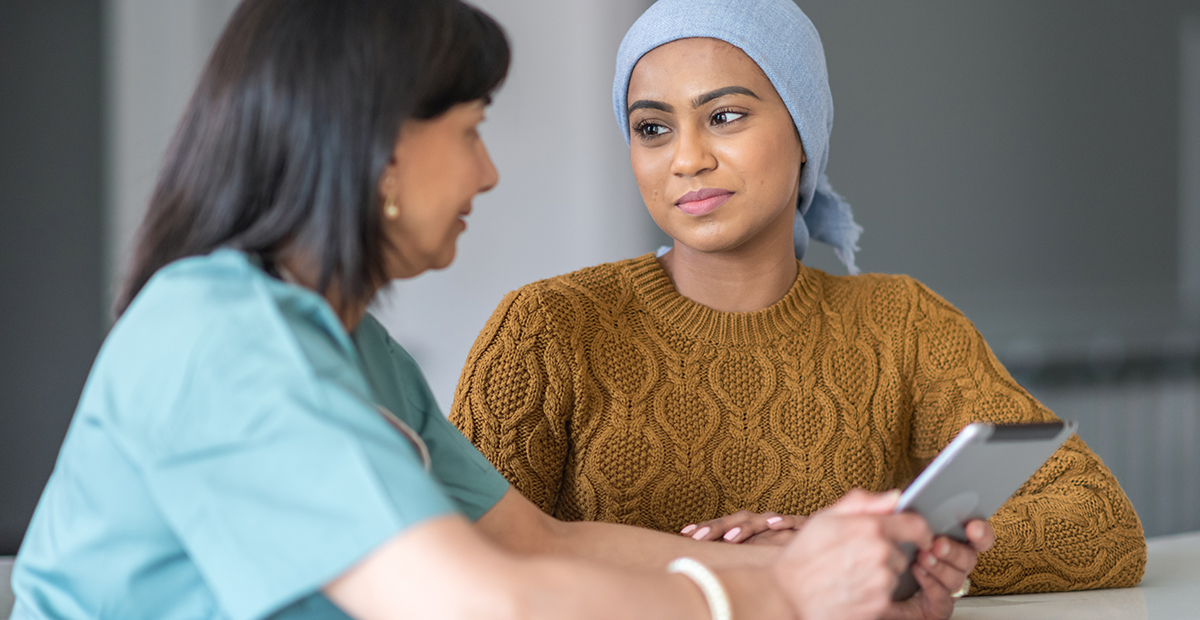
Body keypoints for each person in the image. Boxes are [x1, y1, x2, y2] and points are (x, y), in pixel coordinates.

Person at [8, 1, 956, 619]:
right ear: (376, 147)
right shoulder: (214, 339)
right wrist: (784, 597)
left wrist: (840, 564)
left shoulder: (353, 350)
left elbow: (534, 538)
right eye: (470, 131)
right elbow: (483, 601)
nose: (489, 172)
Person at [449, 0, 1147, 598]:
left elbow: (1100, 526)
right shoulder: (546, 328)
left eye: (724, 116)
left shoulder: (901, 324)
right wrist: (767, 571)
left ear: (804, 133)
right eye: (652, 128)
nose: (686, 158)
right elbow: (458, 568)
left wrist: (848, 549)